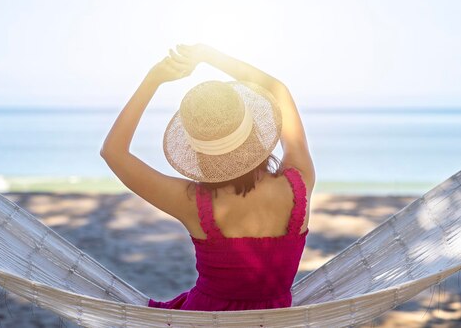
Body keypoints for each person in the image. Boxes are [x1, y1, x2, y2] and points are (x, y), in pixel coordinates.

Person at [100, 43, 315, 311]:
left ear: (199, 153)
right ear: (256, 133)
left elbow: (113, 152)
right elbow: (278, 91)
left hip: (200, 320)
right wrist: (209, 56)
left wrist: (153, 80)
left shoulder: (192, 203)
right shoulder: (299, 184)